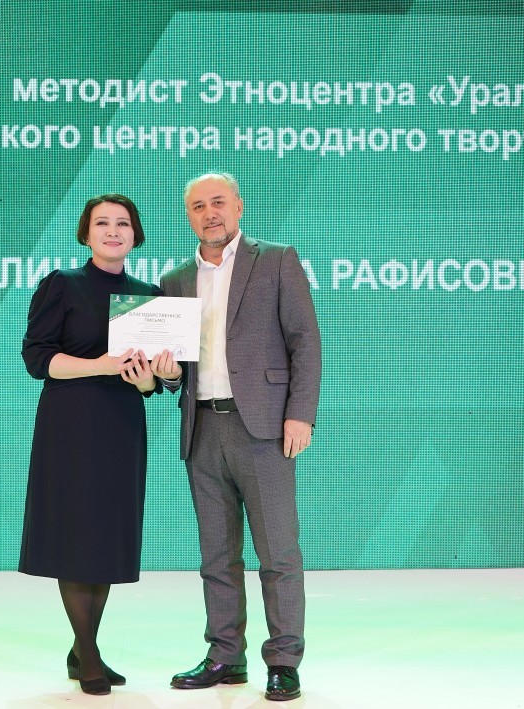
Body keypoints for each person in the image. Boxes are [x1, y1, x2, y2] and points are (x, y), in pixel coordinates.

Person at [155, 172, 321, 701]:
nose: (210, 213)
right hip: (202, 427)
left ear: (239, 206)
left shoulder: (275, 260)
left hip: (265, 428)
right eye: (198, 206)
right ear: (189, 216)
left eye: (219, 202)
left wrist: (300, 415)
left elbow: (305, 342)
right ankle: (226, 655)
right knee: (216, 555)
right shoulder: (175, 280)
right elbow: (173, 367)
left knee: (278, 552)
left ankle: (284, 660)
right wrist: (166, 373)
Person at [20, 193, 180, 696]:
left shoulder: (149, 295)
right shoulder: (62, 284)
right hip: (70, 423)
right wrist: (101, 365)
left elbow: (156, 381)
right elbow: (38, 359)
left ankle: (81, 647)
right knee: (74, 534)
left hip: (121, 424)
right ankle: (89, 655)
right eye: (102, 223)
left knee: (106, 536)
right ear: (86, 233)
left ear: (136, 234)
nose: (113, 231)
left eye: (123, 223)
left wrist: (151, 380)